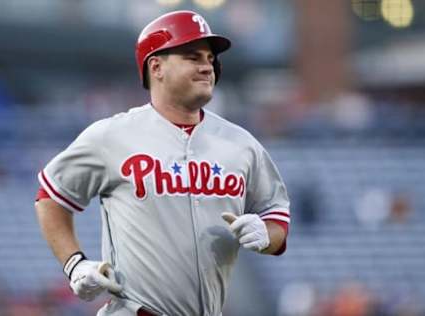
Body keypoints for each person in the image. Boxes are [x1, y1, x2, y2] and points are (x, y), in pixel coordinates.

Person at [35, 10, 290, 316]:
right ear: (156, 66)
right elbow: (50, 196)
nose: (207, 67)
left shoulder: (242, 145)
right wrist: (74, 263)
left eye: (210, 59)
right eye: (193, 57)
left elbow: (277, 219)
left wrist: (266, 235)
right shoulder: (112, 135)